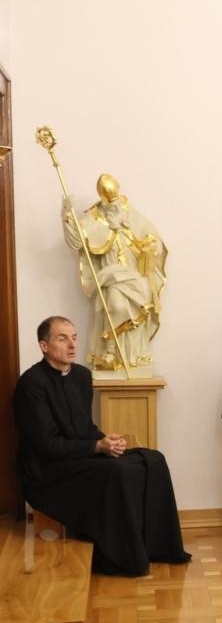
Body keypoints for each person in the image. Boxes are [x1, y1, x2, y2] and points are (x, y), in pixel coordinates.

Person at [14, 316, 189, 576]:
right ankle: (121, 558)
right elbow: (46, 445)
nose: (72, 344)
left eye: (74, 338)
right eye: (62, 338)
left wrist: (107, 440)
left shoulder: (82, 376)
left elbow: (85, 428)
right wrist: (96, 447)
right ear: (44, 346)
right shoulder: (31, 383)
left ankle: (157, 548)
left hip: (81, 456)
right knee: (117, 471)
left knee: (152, 459)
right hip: (48, 471)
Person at [59, 173, 170, 375]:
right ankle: (111, 351)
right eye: (111, 205)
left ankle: (136, 355)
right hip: (112, 278)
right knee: (116, 306)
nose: (116, 207)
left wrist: (152, 245)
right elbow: (75, 241)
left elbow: (154, 239)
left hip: (135, 278)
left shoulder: (130, 215)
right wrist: (67, 215)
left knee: (141, 312)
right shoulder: (94, 218)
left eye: (118, 203)